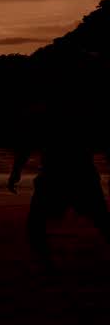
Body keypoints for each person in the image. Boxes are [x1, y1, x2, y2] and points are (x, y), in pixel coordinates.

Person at [7, 112, 110, 269]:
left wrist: (16, 171)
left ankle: (46, 262)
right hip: (82, 175)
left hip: (56, 176)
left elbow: (26, 144)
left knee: (35, 223)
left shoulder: (45, 116)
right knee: (102, 219)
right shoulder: (83, 115)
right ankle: (46, 261)